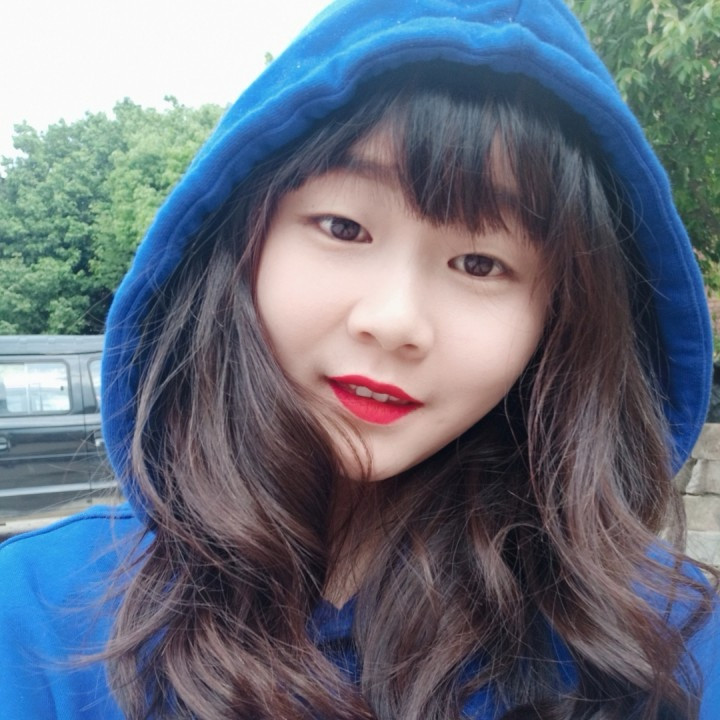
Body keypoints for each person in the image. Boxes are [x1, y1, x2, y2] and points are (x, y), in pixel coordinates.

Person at [1, 0, 719, 717]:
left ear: (560, 319)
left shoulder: (670, 641)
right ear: (237, 243)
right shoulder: (39, 611)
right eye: (343, 227)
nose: (394, 320)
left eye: (480, 263)